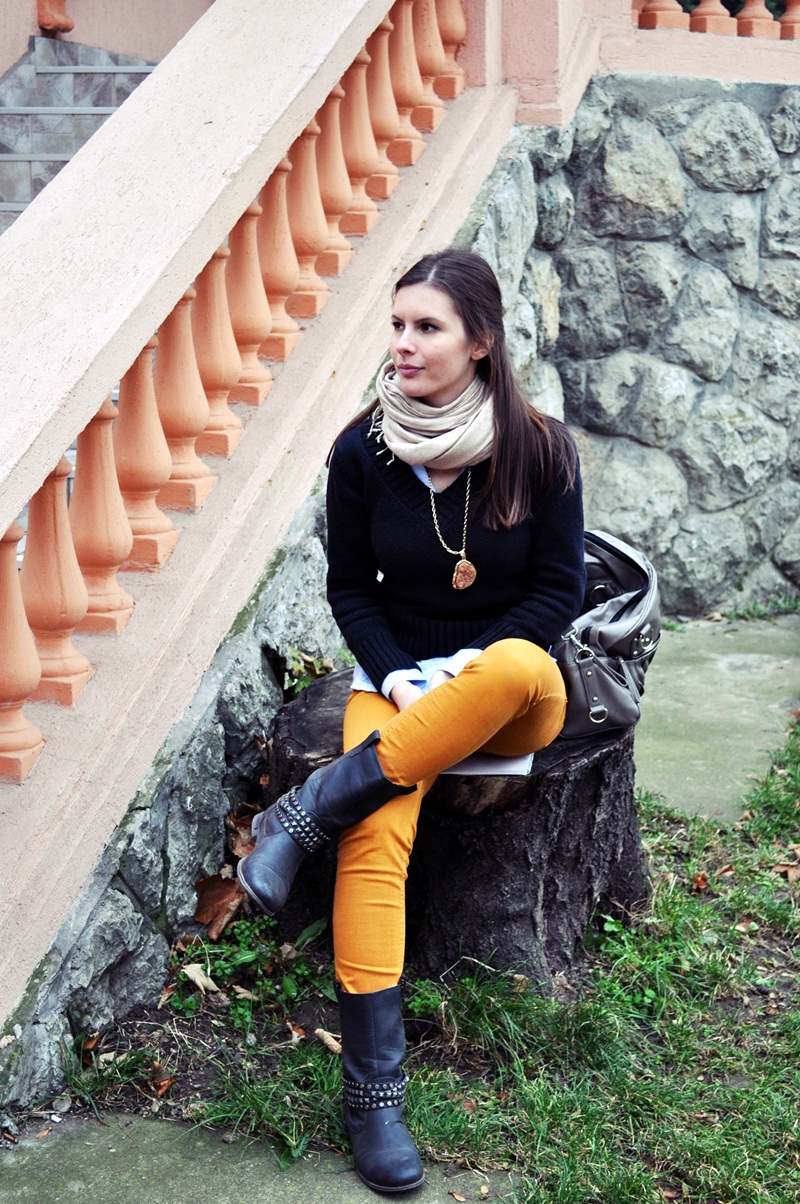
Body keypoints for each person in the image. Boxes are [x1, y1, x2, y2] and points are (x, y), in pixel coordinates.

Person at [238, 248, 586, 1194]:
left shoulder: (541, 450)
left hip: (509, 690)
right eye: (397, 324)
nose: (403, 343)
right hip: (396, 685)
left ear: (480, 342)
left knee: (514, 665)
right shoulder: (363, 451)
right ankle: (374, 1098)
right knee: (375, 836)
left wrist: (468, 669)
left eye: (427, 326)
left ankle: (305, 811)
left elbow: (558, 590)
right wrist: (397, 678)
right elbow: (352, 590)